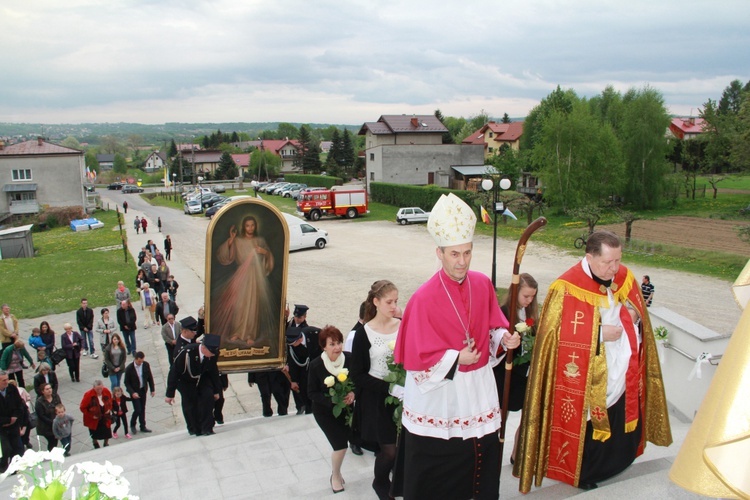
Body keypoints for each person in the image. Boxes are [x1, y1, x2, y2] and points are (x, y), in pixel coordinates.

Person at [517, 230, 672, 491]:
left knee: (621, 413)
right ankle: (582, 471)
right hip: (585, 372)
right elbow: (553, 335)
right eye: (607, 262)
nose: (614, 269)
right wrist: (599, 334)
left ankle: (618, 461)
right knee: (588, 423)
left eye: (618, 260)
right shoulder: (566, 287)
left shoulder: (622, 275)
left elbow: (634, 305)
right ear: (589, 257)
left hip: (622, 362)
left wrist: (633, 311)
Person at [394, 193, 518, 500]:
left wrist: (503, 338)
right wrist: (455, 357)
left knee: (482, 453)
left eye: (467, 253)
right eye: (454, 254)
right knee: (444, 464)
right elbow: (414, 357)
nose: (462, 262)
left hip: (478, 386)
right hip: (442, 394)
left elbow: (493, 324)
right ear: (439, 252)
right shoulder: (423, 298)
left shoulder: (482, 283)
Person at [351, 280, 401, 499]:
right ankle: (380, 481)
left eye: (396, 301)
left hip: (402, 395)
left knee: (402, 447)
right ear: (376, 302)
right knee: (389, 450)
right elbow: (358, 375)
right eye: (389, 302)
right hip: (378, 399)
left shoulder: (402, 325)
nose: (394, 306)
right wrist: (390, 387)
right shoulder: (364, 334)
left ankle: (399, 480)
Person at [493, 272, 539, 465]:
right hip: (505, 373)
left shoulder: (531, 316)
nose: (529, 300)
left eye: (532, 297)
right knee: (501, 416)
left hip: (524, 374)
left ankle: (517, 454)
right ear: (515, 292)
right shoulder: (503, 312)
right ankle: (493, 453)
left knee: (527, 414)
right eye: (525, 296)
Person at [212, 215, 275, 346]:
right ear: (244, 227)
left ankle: (250, 334)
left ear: (255, 226)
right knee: (239, 304)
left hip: (255, 275)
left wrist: (264, 252)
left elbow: (269, 257)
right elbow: (224, 256)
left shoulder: (260, 240)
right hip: (241, 275)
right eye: (247, 225)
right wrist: (231, 239)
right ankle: (237, 332)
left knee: (252, 305)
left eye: (252, 225)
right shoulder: (238, 241)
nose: (250, 228)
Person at [308, 326, 355, 494]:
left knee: (346, 442)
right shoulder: (316, 365)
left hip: (346, 411)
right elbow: (312, 392)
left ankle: (337, 472)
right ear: (324, 347)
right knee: (340, 445)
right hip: (325, 412)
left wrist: (352, 393)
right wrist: (332, 401)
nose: (337, 347)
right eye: (332, 344)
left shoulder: (349, 359)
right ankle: (335, 475)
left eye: (339, 343)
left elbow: (357, 380)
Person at [165, 334, 222, 436]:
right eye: (211, 352)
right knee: (191, 405)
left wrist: (216, 390)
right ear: (204, 348)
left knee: (208, 398)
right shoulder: (187, 353)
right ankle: (196, 429)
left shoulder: (213, 354)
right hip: (185, 380)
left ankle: (207, 428)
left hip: (202, 378)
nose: (213, 355)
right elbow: (174, 372)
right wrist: (170, 394)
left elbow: (214, 371)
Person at [344, 301, 366, 456]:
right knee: (357, 412)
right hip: (357, 377)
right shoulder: (354, 334)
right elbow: (349, 359)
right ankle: (354, 441)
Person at [286, 326, 319, 415]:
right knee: (306, 392)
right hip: (305, 370)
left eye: (293, 343)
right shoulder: (292, 347)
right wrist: (294, 380)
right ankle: (309, 410)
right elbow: (293, 363)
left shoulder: (315, 334)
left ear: (299, 340)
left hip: (319, 367)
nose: (292, 345)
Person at [124, 351, 155, 434]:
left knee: (143, 408)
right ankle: (132, 424)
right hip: (135, 391)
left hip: (142, 389)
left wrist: (152, 389)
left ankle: (142, 426)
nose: (140, 363)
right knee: (138, 409)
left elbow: (150, 377)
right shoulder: (129, 368)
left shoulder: (145, 365)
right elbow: (126, 382)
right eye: (139, 361)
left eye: (141, 361)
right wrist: (132, 392)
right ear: (135, 359)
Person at [0, 370, 25, 472]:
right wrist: (7, 420)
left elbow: (19, 404)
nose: (6, 382)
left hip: (13, 425)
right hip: (1, 428)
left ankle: (16, 468)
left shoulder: (12, 389)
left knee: (18, 448)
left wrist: (15, 417)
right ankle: (4, 470)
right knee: (5, 450)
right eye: (3, 380)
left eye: (7, 379)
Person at [80, 380, 113, 449]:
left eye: (101, 388)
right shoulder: (88, 395)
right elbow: (82, 407)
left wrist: (109, 409)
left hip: (105, 417)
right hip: (94, 419)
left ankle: (106, 443)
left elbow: (110, 400)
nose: (100, 391)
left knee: (107, 432)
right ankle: (95, 443)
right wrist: (91, 416)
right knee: (94, 433)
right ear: (94, 388)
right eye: (98, 389)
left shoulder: (106, 391)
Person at [35, 383, 62, 451]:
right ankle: (51, 453)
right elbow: (41, 416)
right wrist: (52, 422)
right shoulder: (39, 402)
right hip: (46, 426)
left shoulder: (55, 396)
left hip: (56, 422)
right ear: (43, 391)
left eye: (50, 388)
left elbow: (60, 406)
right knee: (52, 440)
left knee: (55, 440)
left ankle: (53, 452)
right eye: (47, 389)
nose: (49, 390)